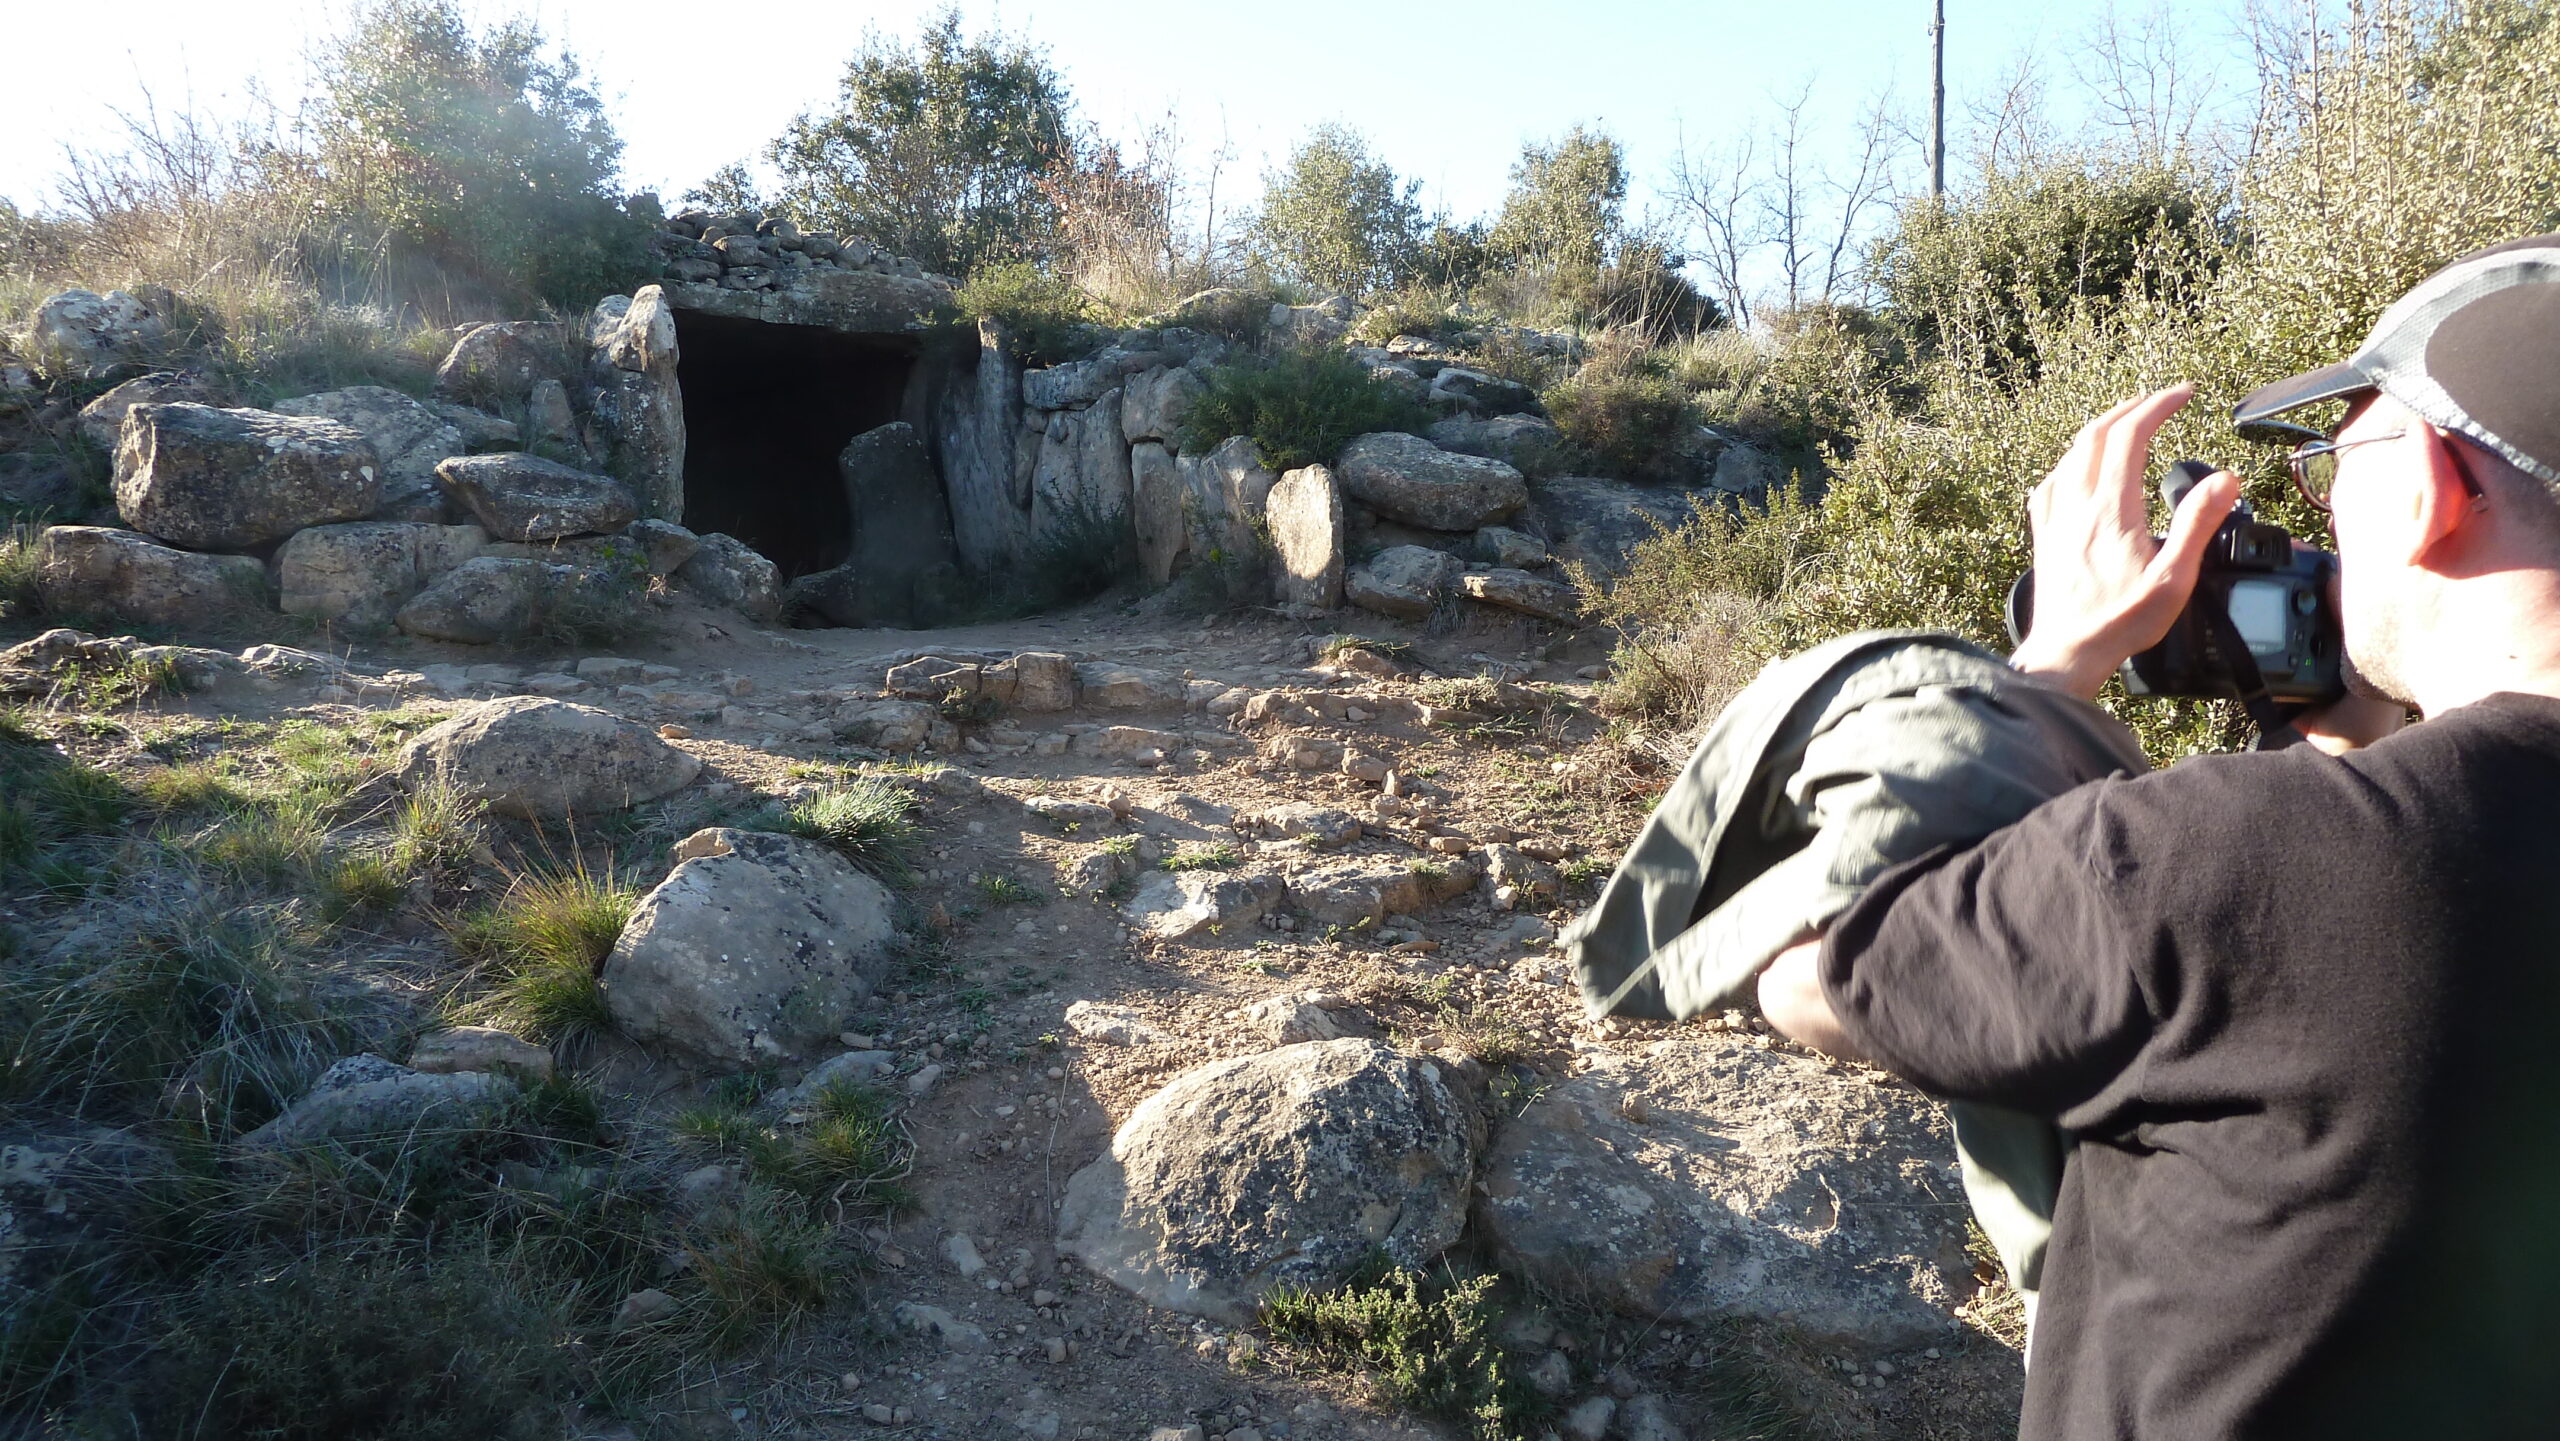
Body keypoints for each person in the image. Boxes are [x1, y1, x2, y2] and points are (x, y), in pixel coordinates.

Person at [1755, 234, 2560, 1437]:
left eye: (2336, 455)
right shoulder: (2320, 844)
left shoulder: (2229, 859)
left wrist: (2046, 671)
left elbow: (1810, 969)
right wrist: (2361, 734)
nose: (2322, 508)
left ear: (2432, 483)